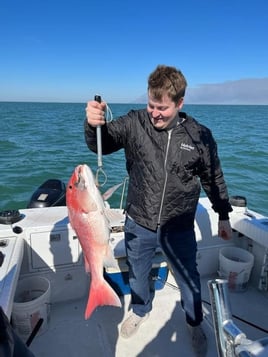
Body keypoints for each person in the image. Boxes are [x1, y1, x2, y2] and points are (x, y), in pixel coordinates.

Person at [84, 65, 233, 356]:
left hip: (179, 225)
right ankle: (141, 310)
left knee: (189, 279)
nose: (155, 113)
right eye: (151, 105)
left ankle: (193, 322)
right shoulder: (134, 123)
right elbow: (100, 144)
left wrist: (223, 214)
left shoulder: (199, 135)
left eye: (162, 108)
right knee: (138, 276)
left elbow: (213, 178)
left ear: (180, 103)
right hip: (139, 222)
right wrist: (93, 125)